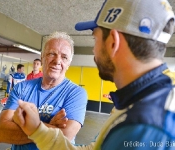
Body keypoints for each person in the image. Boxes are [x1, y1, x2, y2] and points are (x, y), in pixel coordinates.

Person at [12, 0, 175, 149]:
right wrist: (38, 130)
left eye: (95, 39)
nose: (93, 50)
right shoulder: (145, 99)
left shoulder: (142, 126)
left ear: (113, 42)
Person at [0, 32, 88, 150]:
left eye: (64, 57)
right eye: (52, 54)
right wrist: (51, 127)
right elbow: (1, 132)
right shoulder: (21, 88)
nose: (57, 61)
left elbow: (65, 136)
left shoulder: (76, 93)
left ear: (68, 63)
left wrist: (24, 125)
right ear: (42, 57)